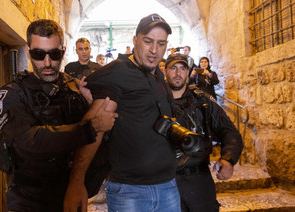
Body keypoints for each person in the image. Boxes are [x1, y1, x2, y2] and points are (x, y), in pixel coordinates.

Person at [0, 19, 117, 211]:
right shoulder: (12, 94)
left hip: (70, 191)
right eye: (38, 54)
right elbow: (30, 142)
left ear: (64, 51)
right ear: (28, 51)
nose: (47, 62)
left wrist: (91, 104)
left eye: (55, 54)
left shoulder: (74, 86)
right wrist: (91, 127)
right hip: (29, 199)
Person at [64, 13, 181, 212]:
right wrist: (76, 183)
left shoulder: (157, 74)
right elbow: (94, 128)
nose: (154, 50)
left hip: (168, 185)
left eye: (161, 43)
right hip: (131, 191)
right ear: (135, 40)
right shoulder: (117, 72)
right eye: (148, 41)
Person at [164, 53, 243, 212]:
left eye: (182, 68)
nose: (178, 73)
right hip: (165, 182)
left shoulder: (202, 102)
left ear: (188, 72)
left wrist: (228, 158)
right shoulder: (155, 103)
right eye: (173, 68)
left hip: (199, 179)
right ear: (165, 71)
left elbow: (228, 131)